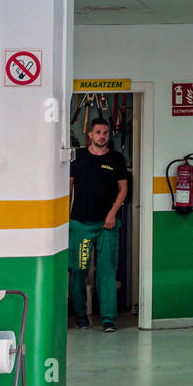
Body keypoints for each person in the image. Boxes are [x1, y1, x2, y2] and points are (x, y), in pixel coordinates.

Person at [69, 118, 129, 332]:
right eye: (98, 132)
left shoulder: (116, 159)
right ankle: (81, 317)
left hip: (107, 226)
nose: (102, 135)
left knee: (106, 271)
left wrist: (112, 214)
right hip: (81, 225)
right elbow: (68, 188)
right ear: (90, 136)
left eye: (105, 132)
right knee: (79, 269)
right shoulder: (78, 157)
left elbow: (123, 189)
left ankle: (108, 320)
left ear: (109, 135)